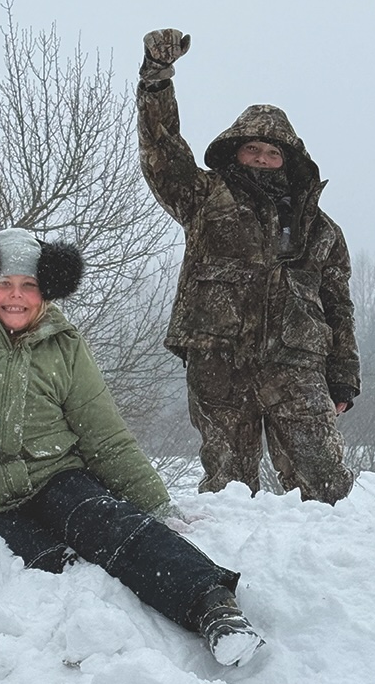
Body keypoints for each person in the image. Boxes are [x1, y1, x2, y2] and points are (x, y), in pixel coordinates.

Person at [0, 227, 266, 667]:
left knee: (114, 526)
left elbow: (104, 435)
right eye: (4, 283)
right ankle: (94, 652)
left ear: (47, 289)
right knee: (53, 568)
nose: (16, 296)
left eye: (29, 285)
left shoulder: (64, 345)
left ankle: (213, 606)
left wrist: (156, 503)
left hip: (57, 479)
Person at [137, 29, 361, 505]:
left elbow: (338, 305)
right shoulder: (204, 197)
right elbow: (163, 151)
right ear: (235, 152)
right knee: (229, 488)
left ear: (288, 161)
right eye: (252, 149)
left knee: (326, 485)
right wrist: (157, 79)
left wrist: (344, 373)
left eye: (273, 152)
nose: (262, 158)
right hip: (218, 357)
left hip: (297, 363)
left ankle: (334, 553)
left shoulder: (321, 229)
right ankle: (231, 554)